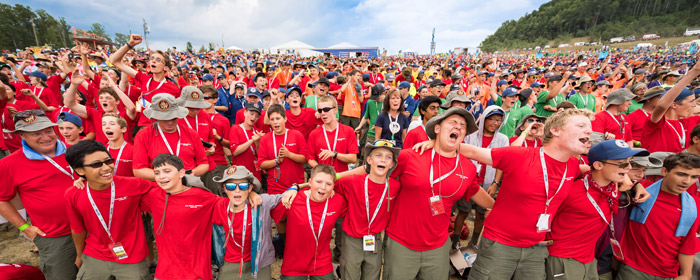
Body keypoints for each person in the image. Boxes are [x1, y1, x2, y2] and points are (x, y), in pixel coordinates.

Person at [418, 108, 594, 280]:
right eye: (580, 125)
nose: (589, 130)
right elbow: (472, 151)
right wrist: (437, 143)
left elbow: (604, 168)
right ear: (555, 130)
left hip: (537, 249)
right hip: (500, 246)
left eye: (589, 127)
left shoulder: (572, 166)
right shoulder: (520, 156)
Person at [545, 140, 649, 280]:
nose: (628, 168)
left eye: (630, 162)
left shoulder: (612, 188)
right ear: (598, 165)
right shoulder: (571, 189)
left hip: (589, 260)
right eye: (623, 163)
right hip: (563, 259)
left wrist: (635, 184)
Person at [0, 109, 78, 279]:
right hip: (55, 237)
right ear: (21, 135)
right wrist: (24, 227)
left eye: (48, 131)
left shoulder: (76, 151)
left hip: (94, 229)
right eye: (36, 133)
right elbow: (2, 200)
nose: (45, 137)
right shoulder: (9, 164)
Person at [64, 140, 153, 279]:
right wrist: (79, 255)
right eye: (96, 164)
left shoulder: (133, 185)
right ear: (80, 170)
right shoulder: (73, 193)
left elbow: (166, 191)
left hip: (132, 257)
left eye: (108, 161)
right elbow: (77, 229)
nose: (106, 167)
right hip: (95, 255)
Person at [616, 153, 700, 279]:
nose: (687, 181)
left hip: (668, 273)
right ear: (664, 171)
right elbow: (608, 172)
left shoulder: (694, 204)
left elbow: (687, 244)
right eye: (681, 174)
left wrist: (686, 274)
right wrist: (634, 184)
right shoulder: (641, 189)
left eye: (694, 177)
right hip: (633, 269)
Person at [212, 165, 294, 280]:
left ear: (250, 187)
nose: (237, 190)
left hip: (259, 262)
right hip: (231, 262)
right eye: (231, 186)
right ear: (224, 188)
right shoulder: (218, 205)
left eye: (243, 186)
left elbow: (286, 197)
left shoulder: (262, 203)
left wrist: (295, 187)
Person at [271, 165, 347, 280]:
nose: (323, 187)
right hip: (294, 264)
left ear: (333, 186)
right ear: (310, 182)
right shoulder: (292, 199)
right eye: (319, 182)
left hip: (322, 263)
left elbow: (365, 170)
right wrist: (295, 187)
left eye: (328, 184)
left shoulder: (338, 201)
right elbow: (266, 210)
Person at [457, 106, 509, 246]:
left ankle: (473, 242)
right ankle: (455, 241)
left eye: (499, 120)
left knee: (481, 214)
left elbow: (501, 164)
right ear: (484, 119)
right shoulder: (470, 136)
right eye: (491, 119)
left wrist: (495, 183)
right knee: (463, 211)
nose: (495, 123)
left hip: (488, 183)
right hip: (468, 181)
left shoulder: (503, 139)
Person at [132, 93, 209, 181]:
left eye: (173, 118)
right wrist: (167, 177)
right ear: (156, 117)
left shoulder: (191, 133)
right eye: (165, 119)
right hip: (159, 187)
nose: (170, 122)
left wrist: (192, 174)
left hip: (188, 183)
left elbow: (204, 164)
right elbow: (138, 170)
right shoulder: (143, 135)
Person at [109, 34, 180, 128]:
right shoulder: (144, 78)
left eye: (158, 60)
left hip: (162, 129)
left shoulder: (173, 89)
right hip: (143, 127)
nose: (153, 61)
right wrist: (130, 44)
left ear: (166, 68)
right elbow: (114, 61)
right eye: (152, 59)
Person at [642, 62, 700, 153]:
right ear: (673, 105)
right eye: (691, 101)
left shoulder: (690, 121)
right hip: (659, 166)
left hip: (685, 166)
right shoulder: (656, 124)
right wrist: (693, 72)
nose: (694, 105)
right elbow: (661, 106)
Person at [306, 95, 358, 172]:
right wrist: (322, 169)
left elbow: (353, 158)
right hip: (323, 179)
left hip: (342, 179)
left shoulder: (348, 130)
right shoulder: (314, 134)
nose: (323, 113)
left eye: (326, 109)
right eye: (320, 111)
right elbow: (310, 159)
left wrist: (335, 154)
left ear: (335, 110)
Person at [230, 103, 265, 182]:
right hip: (240, 174)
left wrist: (257, 143)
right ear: (245, 113)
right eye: (251, 114)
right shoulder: (235, 128)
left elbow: (259, 155)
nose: (253, 117)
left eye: (256, 116)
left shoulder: (258, 132)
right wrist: (252, 140)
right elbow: (235, 152)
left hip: (255, 173)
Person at [102, 113, 134, 177]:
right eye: (104, 124)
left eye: (112, 124)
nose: (107, 127)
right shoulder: (101, 151)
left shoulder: (133, 150)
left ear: (123, 129)